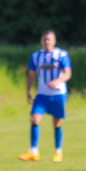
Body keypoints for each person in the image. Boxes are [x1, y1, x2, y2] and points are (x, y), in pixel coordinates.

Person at [19, 31, 72, 162]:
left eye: (49, 39)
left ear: (54, 41)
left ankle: (58, 151)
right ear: (41, 41)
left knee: (57, 123)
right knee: (34, 119)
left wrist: (58, 81)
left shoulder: (61, 55)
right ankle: (33, 151)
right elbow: (31, 75)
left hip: (58, 94)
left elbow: (67, 73)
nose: (47, 42)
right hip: (42, 95)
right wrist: (28, 90)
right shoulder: (36, 56)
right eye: (44, 40)